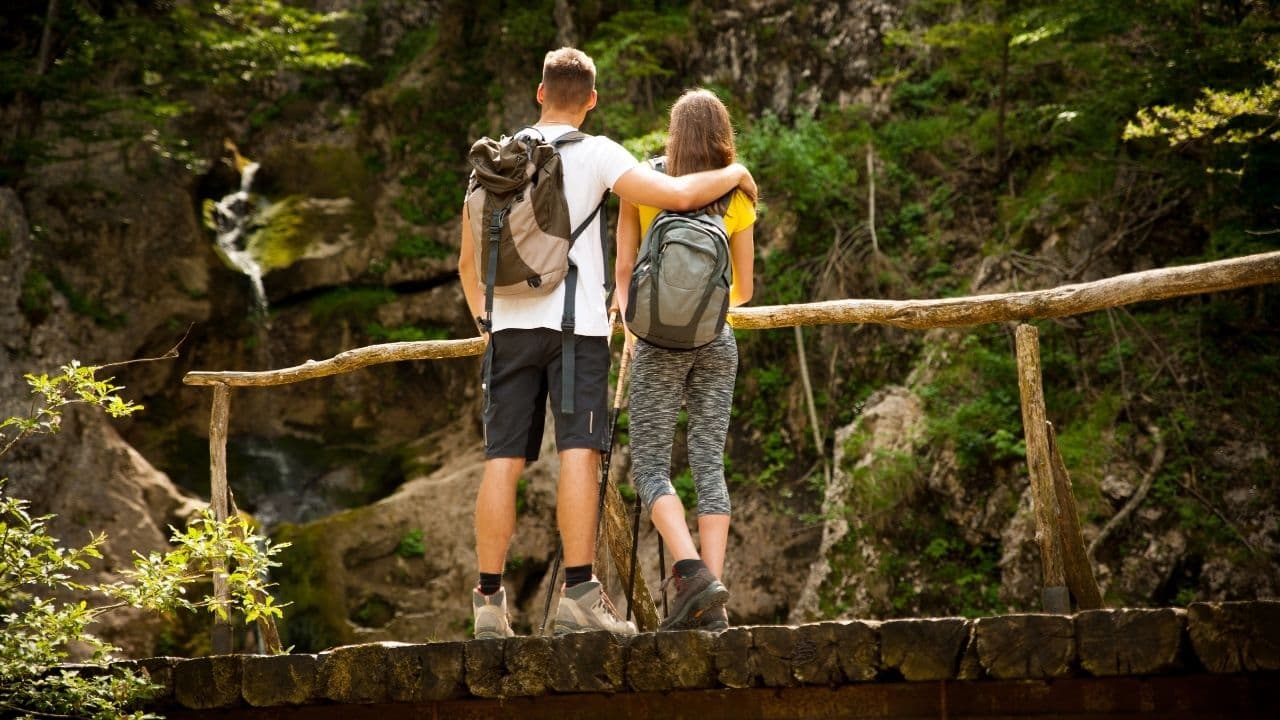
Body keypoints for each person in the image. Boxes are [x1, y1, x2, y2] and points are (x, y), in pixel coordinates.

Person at [457, 49, 757, 639]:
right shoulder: (598, 154)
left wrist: (485, 320)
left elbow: (469, 262)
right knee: (580, 452)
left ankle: (488, 605)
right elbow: (675, 196)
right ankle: (578, 596)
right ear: (591, 101)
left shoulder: (491, 163)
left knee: (501, 462)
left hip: (508, 330)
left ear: (539, 92)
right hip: (578, 331)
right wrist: (735, 175)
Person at [614, 88, 756, 631]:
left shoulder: (643, 184)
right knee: (708, 460)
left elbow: (624, 270)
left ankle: (691, 571)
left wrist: (635, 322)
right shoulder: (738, 197)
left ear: (673, 135)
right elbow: (742, 290)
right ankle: (713, 603)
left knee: (650, 465)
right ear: (724, 137)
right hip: (716, 340)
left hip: (656, 345)